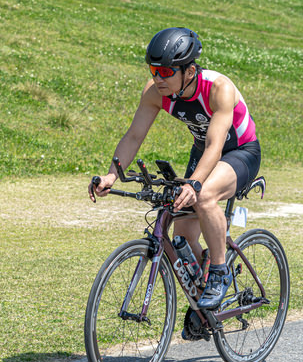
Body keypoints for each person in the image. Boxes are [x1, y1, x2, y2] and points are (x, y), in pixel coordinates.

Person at [88, 27, 261, 311]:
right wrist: (111, 174)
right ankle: (204, 304)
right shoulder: (155, 92)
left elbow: (215, 147)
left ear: (189, 71)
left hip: (240, 151)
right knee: (182, 236)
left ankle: (220, 272)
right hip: (202, 151)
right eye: (154, 70)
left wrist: (193, 184)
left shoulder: (219, 89)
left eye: (167, 72)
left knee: (203, 196)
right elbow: (134, 136)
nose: (158, 78)